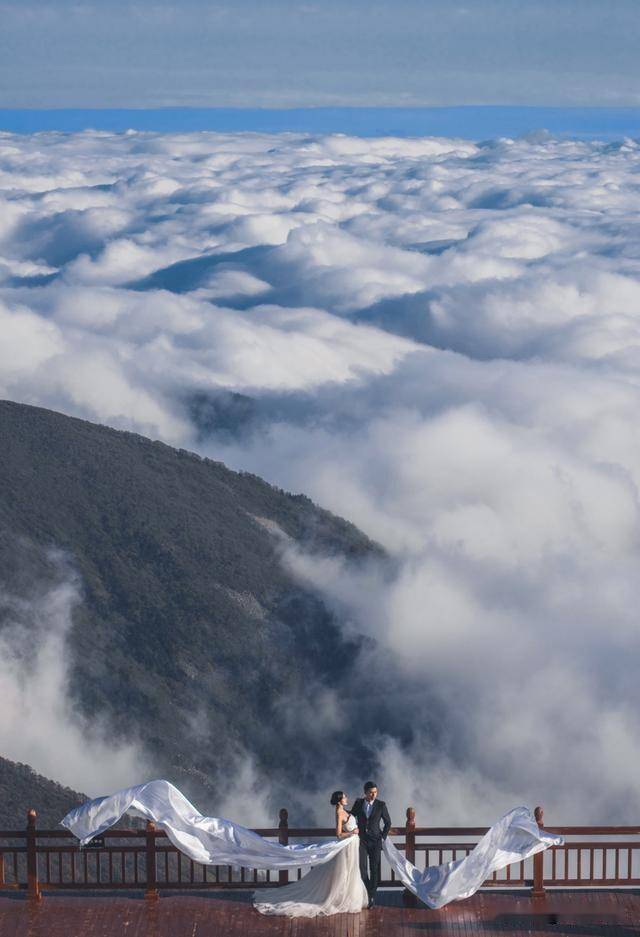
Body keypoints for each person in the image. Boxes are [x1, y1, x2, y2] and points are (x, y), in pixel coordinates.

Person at [254, 790, 368, 917]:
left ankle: (346, 897)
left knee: (350, 871)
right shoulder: (339, 813)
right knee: (345, 871)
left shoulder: (344, 811)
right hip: (347, 845)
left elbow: (352, 815)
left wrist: (361, 801)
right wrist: (353, 833)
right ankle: (341, 898)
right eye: (345, 797)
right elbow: (339, 834)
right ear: (339, 800)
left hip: (352, 845)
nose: (347, 798)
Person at [350, 781, 391, 908]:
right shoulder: (358, 803)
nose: (373, 795)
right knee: (362, 869)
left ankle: (371, 896)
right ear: (365, 793)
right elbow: (351, 816)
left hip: (375, 841)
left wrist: (382, 837)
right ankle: (368, 892)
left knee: (374, 869)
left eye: (375, 792)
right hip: (362, 840)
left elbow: (388, 823)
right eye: (371, 793)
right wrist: (340, 809)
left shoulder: (381, 805)